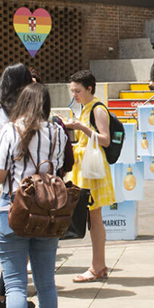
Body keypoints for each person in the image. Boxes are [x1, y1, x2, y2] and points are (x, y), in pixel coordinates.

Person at [0, 83, 73, 308]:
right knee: (46, 283)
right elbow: (60, 170)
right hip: (48, 213)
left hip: (13, 210)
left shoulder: (10, 131)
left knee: (14, 284)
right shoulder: (58, 132)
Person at [0, 64, 38, 308]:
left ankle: (2, 298)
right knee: (21, 249)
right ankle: (3, 298)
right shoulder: (32, 111)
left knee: (8, 246)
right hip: (29, 186)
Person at [66, 70, 116, 282]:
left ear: (89, 89)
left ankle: (97, 266)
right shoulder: (87, 108)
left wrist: (80, 128)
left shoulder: (97, 109)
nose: (74, 95)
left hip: (92, 170)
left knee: (94, 218)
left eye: (78, 91)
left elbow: (105, 140)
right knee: (93, 218)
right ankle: (99, 265)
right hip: (86, 168)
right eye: (72, 91)